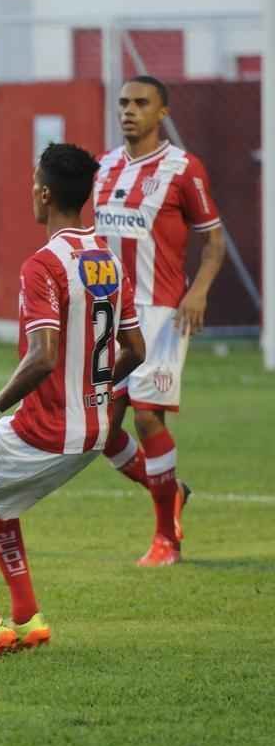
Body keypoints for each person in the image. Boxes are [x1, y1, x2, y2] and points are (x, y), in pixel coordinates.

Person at [0, 143, 146, 662]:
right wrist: (96, 392)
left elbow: (41, 357)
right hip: (92, 434)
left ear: (43, 193)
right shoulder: (108, 259)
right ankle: (27, 617)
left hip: (46, 431)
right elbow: (136, 351)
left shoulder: (43, 265)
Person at [93, 75, 225, 567]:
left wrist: (198, 292)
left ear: (162, 112)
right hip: (108, 316)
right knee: (99, 434)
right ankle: (171, 493)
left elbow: (214, 241)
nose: (129, 110)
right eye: (124, 102)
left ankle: (166, 539)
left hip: (161, 313)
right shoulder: (103, 167)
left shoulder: (182, 169)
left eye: (141, 103)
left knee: (147, 415)